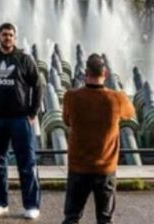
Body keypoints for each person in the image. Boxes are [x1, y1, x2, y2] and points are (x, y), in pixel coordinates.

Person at [0, 21, 42, 219]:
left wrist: (32, 112)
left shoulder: (24, 59)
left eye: (11, 35)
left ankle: (31, 205)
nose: (7, 38)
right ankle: (0, 202)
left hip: (20, 119)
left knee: (27, 163)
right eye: (4, 34)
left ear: (15, 37)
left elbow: (38, 86)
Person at [60, 53, 135, 224]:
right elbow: (130, 113)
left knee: (72, 217)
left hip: (79, 166)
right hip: (106, 168)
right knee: (105, 218)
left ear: (86, 73)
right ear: (105, 74)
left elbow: (66, 120)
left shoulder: (71, 97)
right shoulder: (117, 98)